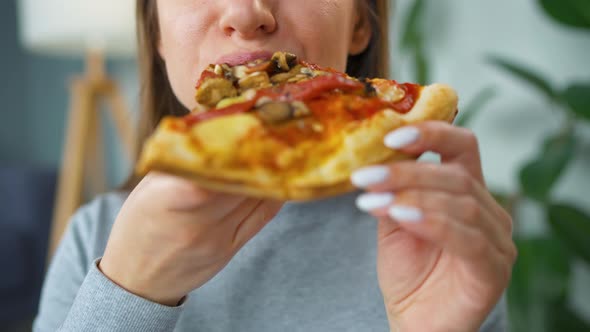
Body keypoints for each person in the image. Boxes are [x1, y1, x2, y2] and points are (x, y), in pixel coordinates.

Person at [33, 0, 516, 331]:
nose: (247, 14)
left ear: (359, 23)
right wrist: (126, 294)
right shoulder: (94, 237)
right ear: (156, 31)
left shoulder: (439, 233)